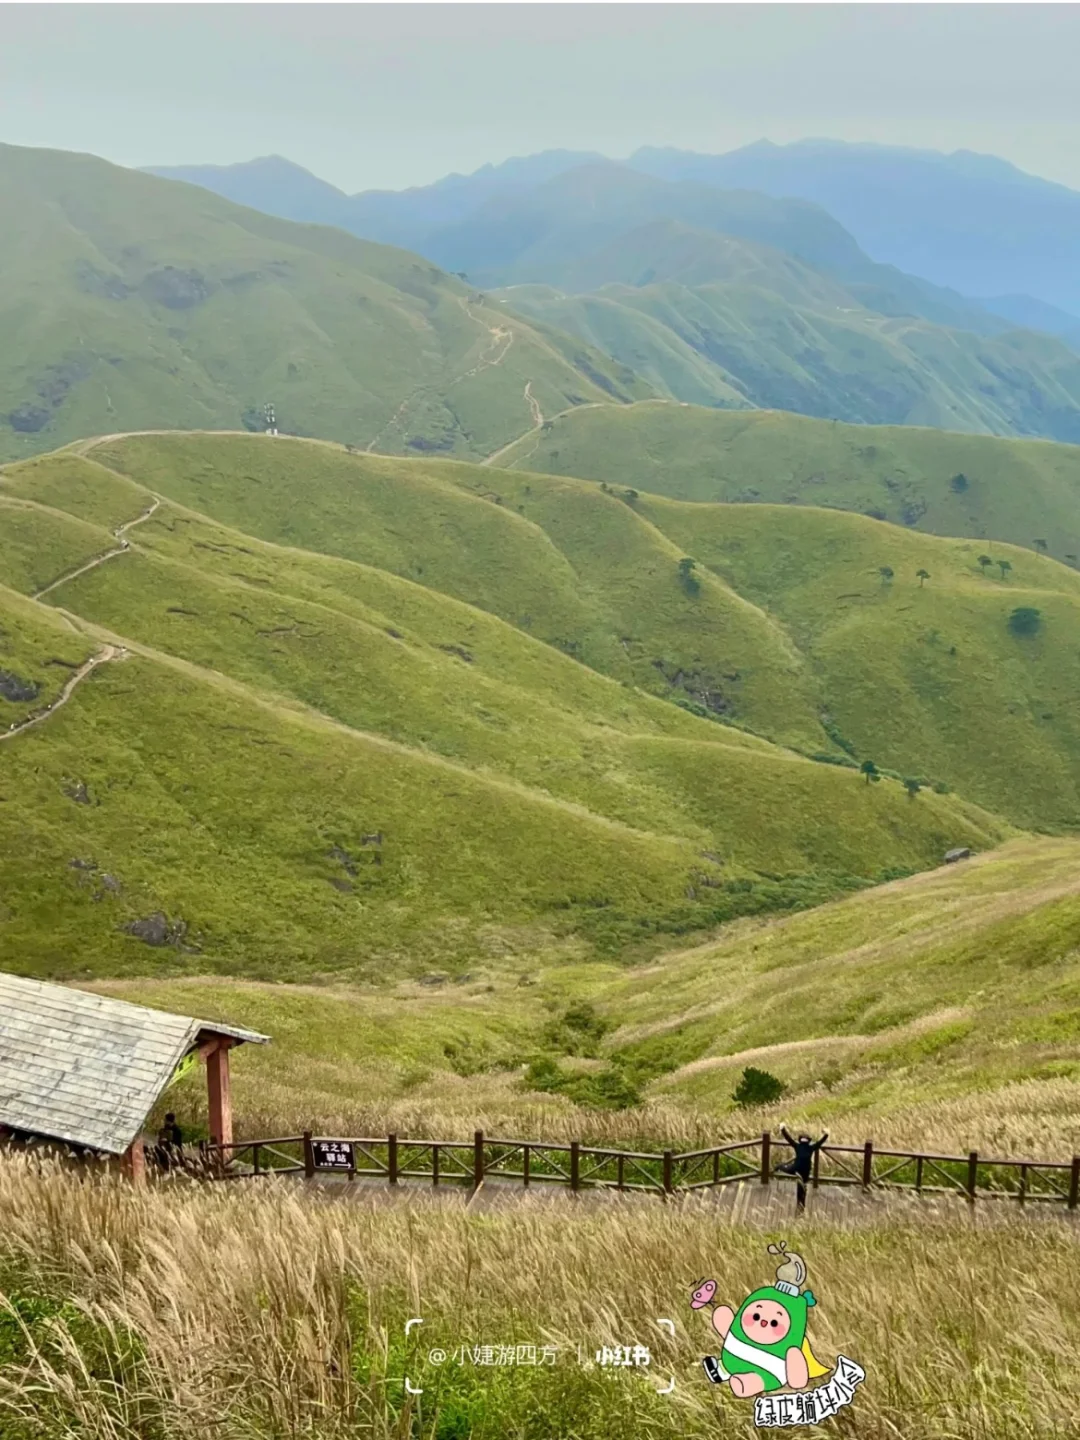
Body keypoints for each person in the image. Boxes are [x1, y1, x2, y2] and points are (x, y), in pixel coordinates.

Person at [778, 1127, 829, 1212]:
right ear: (808, 1141)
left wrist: (783, 1129)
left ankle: (779, 1167)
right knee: (803, 1187)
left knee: (785, 1169)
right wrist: (826, 1134)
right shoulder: (811, 1148)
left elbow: (788, 1138)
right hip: (805, 1171)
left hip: (796, 1169)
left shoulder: (797, 1146)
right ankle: (802, 1205)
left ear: (800, 1140)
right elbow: (820, 1142)